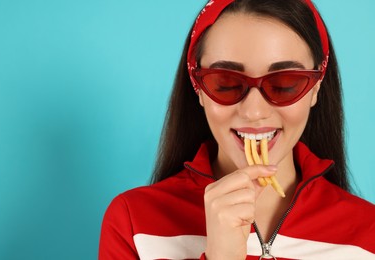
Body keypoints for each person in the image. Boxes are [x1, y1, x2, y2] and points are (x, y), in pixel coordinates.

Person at [99, 0, 375, 259]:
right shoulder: (134, 222)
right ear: (199, 89)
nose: (254, 112)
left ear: (316, 87)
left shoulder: (367, 232)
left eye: (285, 83)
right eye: (226, 83)